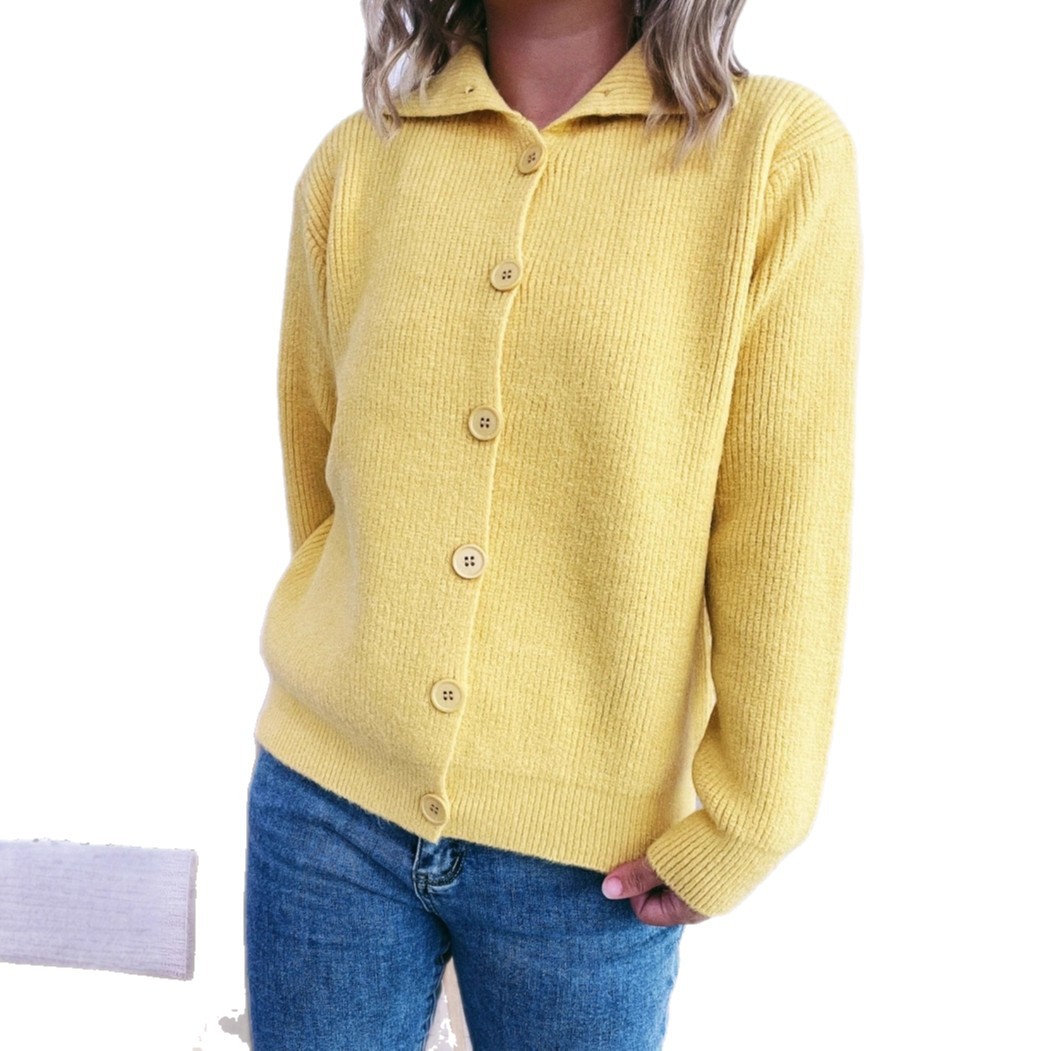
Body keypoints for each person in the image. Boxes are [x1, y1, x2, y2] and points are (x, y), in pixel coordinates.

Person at [243, 0, 862, 1046]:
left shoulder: (770, 154)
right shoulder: (356, 164)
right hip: (322, 815)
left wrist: (750, 819)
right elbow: (322, 484)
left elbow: (783, 516)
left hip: (594, 860)